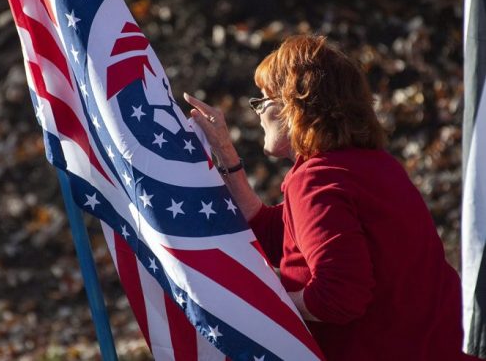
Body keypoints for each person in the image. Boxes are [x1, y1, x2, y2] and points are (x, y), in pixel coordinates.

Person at [184, 35, 464, 360]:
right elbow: (280, 237)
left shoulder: (316, 179)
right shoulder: (373, 164)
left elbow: (340, 297)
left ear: (294, 104)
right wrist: (227, 155)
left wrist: (267, 303)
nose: (258, 113)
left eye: (263, 100)